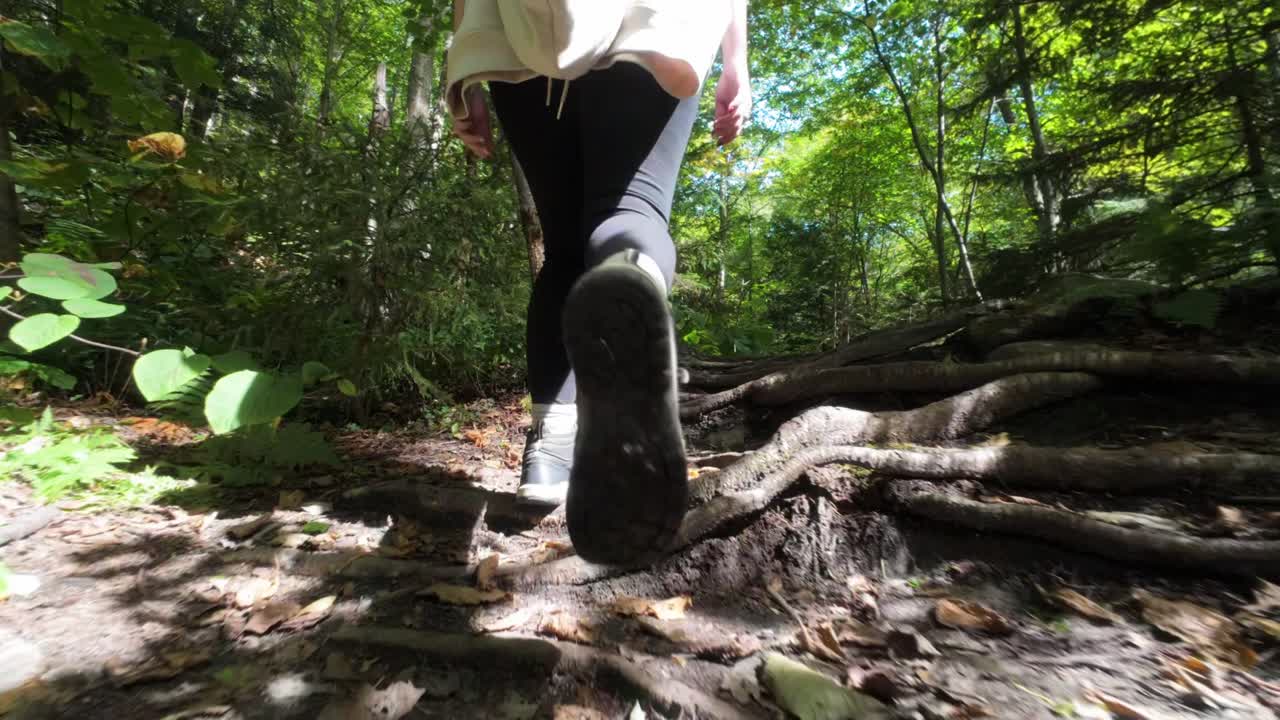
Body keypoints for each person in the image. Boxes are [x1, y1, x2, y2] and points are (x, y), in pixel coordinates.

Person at [446, 0, 750, 565]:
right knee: (631, 209)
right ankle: (631, 278)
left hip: (526, 34)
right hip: (655, 21)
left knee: (563, 248)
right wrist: (737, 60)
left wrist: (465, 64)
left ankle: (548, 453)